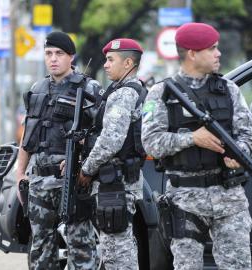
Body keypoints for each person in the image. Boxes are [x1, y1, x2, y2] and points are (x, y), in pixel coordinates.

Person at [141, 22, 252, 269]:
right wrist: (193, 138)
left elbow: (250, 136)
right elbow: (151, 143)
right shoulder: (161, 93)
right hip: (185, 199)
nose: (218, 54)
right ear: (192, 53)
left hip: (229, 196)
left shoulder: (229, 90)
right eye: (212, 49)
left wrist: (240, 153)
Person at [16, 31, 100, 270]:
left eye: (59, 54)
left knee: (81, 246)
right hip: (40, 181)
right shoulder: (37, 87)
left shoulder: (89, 87)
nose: (53, 59)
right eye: (48, 54)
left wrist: (85, 165)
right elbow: (28, 134)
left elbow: (100, 134)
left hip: (72, 181)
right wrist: (20, 171)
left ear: (71, 57)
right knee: (41, 248)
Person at [78, 38, 147, 270]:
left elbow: (110, 141)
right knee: (121, 246)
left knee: (117, 252)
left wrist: (86, 168)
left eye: (110, 60)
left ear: (128, 63)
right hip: (121, 181)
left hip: (114, 183)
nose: (106, 64)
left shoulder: (123, 94)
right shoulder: (133, 90)